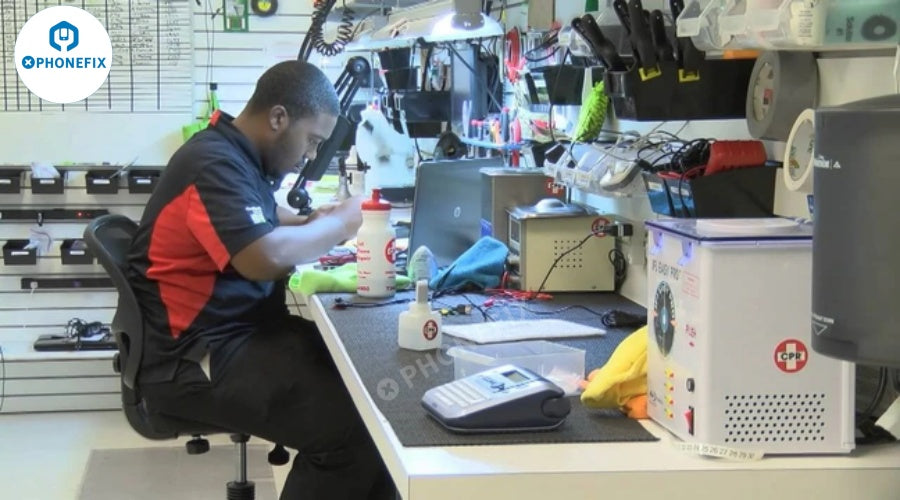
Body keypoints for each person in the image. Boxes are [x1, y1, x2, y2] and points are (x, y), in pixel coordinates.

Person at [126, 60, 395, 499]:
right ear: (278, 118)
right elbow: (262, 257)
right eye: (312, 140)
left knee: (376, 393)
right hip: (193, 357)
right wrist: (341, 224)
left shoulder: (233, 158)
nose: (311, 155)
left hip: (236, 334)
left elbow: (260, 219)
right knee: (351, 431)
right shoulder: (212, 162)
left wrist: (312, 220)